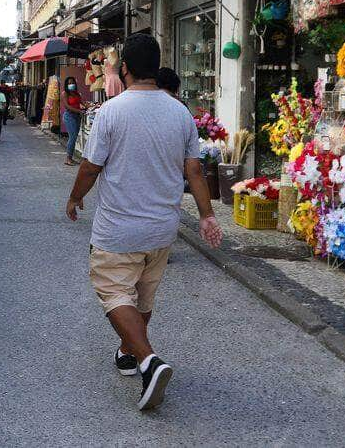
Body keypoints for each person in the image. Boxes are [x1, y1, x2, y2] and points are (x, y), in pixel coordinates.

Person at [65, 33, 223, 411]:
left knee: (115, 292)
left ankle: (149, 361)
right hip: (162, 229)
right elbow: (195, 170)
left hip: (118, 228)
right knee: (143, 295)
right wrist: (206, 215)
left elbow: (91, 165)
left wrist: (75, 197)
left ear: (125, 69)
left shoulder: (112, 111)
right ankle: (127, 352)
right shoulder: (180, 112)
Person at [61, 76, 84, 166]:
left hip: (77, 117)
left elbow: (80, 103)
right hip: (69, 117)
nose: (71, 85)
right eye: (69, 83)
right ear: (66, 85)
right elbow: (67, 106)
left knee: (74, 138)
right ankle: (68, 158)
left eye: (73, 83)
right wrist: (79, 110)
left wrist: (86, 106)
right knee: (72, 137)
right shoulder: (65, 94)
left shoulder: (77, 94)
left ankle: (70, 157)